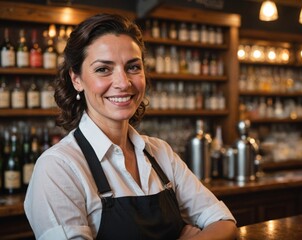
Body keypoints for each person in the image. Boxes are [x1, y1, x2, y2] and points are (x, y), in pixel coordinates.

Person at [24, 13, 238, 240]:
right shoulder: (58, 167)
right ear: (76, 79)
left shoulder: (160, 153)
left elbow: (224, 223)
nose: (123, 83)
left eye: (133, 67)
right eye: (103, 69)